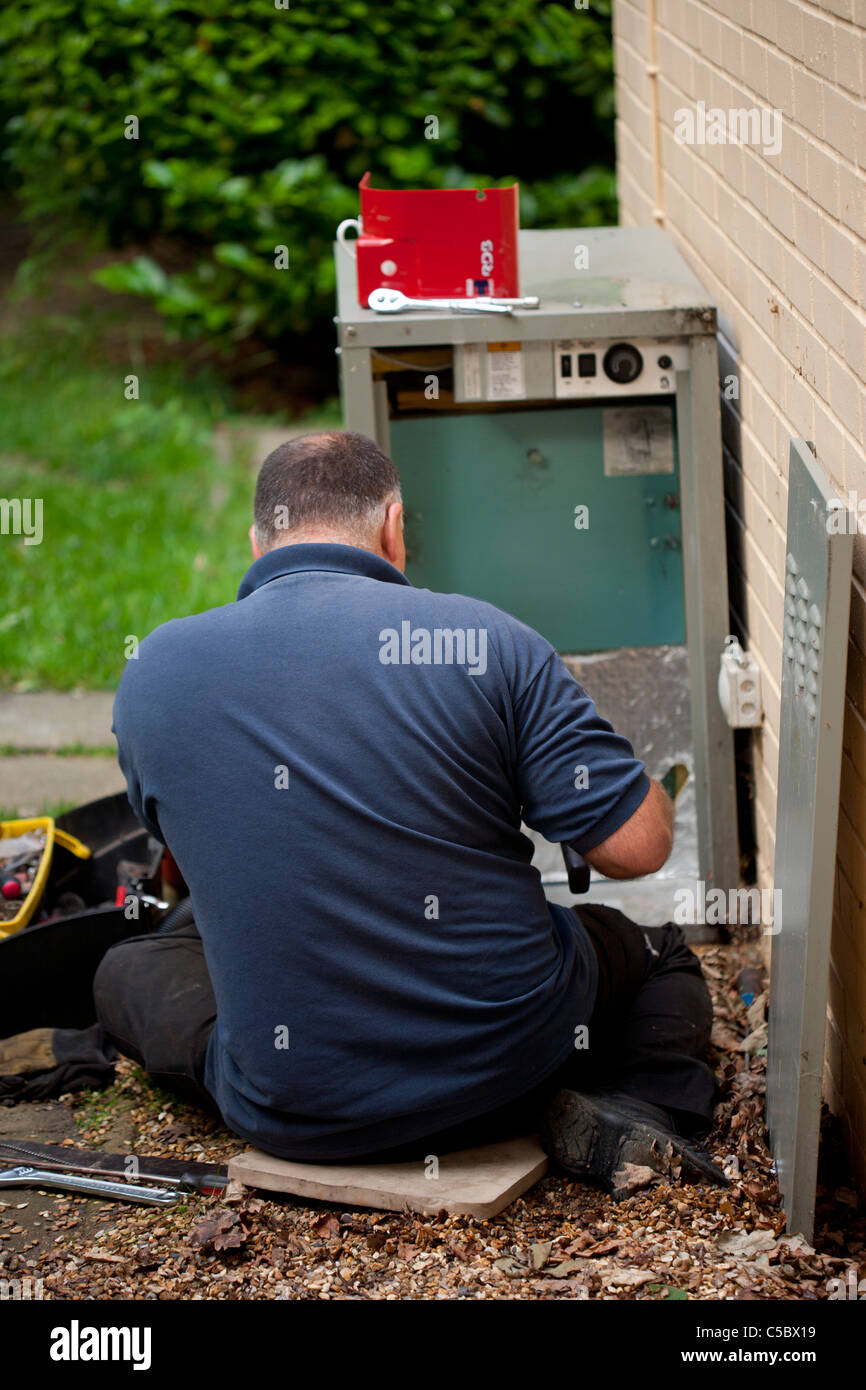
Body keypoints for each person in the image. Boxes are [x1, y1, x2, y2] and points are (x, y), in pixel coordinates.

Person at [94, 431, 725, 1193]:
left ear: (257, 541)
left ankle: (264, 1060)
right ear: (395, 525)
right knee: (658, 954)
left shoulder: (154, 670)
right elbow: (639, 845)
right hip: (509, 1074)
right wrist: (633, 773)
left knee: (127, 968)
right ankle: (643, 1107)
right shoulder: (485, 641)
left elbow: (195, 850)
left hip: (294, 1108)